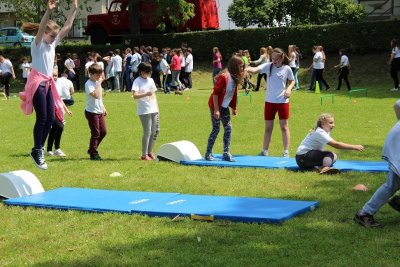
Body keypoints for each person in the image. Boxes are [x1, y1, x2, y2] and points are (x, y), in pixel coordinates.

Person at [20, 0, 77, 170]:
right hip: (37, 82)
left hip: (48, 82)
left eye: (54, 37)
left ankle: (38, 149)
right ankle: (38, 149)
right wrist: (48, 11)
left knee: (51, 118)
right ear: (43, 33)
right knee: (43, 117)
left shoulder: (52, 44)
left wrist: (74, 9)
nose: (54, 39)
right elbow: (42, 27)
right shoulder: (37, 45)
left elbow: (67, 27)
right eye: (51, 36)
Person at [354, 100, 400, 227]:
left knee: (392, 184)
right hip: (398, 145)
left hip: (395, 140)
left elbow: (397, 104)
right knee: (392, 184)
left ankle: (364, 213)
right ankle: (365, 214)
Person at [246, 48, 295, 158]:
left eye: (276, 59)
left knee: (284, 127)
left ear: (282, 58)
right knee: (268, 128)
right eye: (272, 58)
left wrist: (289, 89)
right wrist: (246, 67)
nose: (274, 60)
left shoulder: (287, 69)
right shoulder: (268, 66)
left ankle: (286, 152)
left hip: (282, 102)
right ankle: (264, 151)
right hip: (269, 102)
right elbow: (255, 70)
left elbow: (292, 81)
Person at [205, 55, 245, 162]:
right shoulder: (224, 77)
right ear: (234, 66)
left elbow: (232, 94)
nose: (242, 69)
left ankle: (226, 153)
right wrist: (216, 110)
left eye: (243, 67)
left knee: (228, 128)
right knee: (216, 129)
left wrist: (233, 108)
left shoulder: (235, 78)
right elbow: (215, 94)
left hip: (224, 106)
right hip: (215, 105)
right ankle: (208, 154)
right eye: (240, 67)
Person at [295, 113, 364, 174]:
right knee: (329, 154)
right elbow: (336, 145)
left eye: (333, 123)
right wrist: (354, 147)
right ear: (323, 123)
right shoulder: (320, 132)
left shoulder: (323, 131)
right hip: (303, 157)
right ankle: (325, 169)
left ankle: (317, 168)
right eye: (330, 123)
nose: (333, 125)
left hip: (302, 160)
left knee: (333, 156)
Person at [132, 62, 160, 160]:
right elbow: (134, 95)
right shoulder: (137, 81)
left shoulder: (151, 80)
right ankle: (144, 155)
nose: (150, 73)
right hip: (144, 110)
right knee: (147, 132)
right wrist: (145, 94)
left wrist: (157, 108)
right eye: (148, 72)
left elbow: (154, 95)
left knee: (156, 131)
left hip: (154, 109)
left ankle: (150, 152)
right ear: (142, 72)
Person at [46, 69, 73, 157]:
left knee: (54, 129)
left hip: (59, 110)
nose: (54, 77)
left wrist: (67, 110)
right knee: (59, 126)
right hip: (50, 109)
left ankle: (50, 149)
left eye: (56, 75)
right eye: (52, 75)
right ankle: (56, 148)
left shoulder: (58, 86)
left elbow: (60, 99)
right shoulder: (46, 86)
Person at [85, 63, 107, 160]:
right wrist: (99, 83)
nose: (99, 76)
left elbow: (100, 98)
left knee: (103, 132)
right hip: (91, 112)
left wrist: (103, 108)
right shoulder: (89, 84)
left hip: (99, 111)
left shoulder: (97, 83)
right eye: (97, 74)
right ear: (91, 74)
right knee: (96, 133)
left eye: (100, 74)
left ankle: (91, 149)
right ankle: (93, 154)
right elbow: (96, 95)